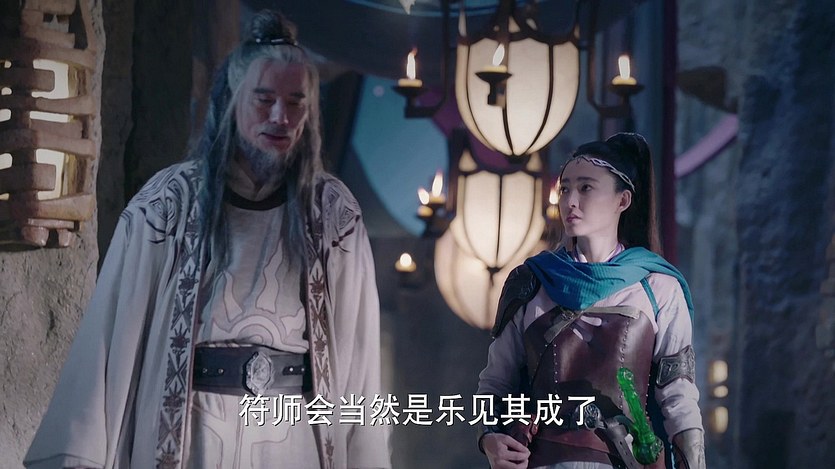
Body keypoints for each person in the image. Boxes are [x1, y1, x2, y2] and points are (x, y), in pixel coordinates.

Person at [24, 10, 390, 469]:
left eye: (295, 102)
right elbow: (108, 335)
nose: (280, 116)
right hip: (190, 429)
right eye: (264, 99)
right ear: (233, 100)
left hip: (292, 433)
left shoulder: (333, 214)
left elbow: (360, 362)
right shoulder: (169, 202)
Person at [477, 133, 705, 469]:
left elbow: (679, 397)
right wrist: (488, 438)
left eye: (586, 188)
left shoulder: (659, 287)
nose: (570, 200)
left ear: (622, 200)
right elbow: (495, 382)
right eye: (565, 189)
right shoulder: (530, 282)